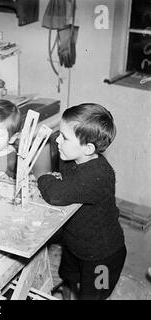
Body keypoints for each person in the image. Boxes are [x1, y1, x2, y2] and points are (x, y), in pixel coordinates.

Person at [37, 103, 126, 300]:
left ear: (88, 149)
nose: (57, 140)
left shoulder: (97, 175)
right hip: (74, 244)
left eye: (65, 137)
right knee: (68, 278)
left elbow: (55, 194)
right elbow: (64, 183)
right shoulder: (70, 157)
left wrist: (43, 177)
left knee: (92, 296)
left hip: (102, 257)